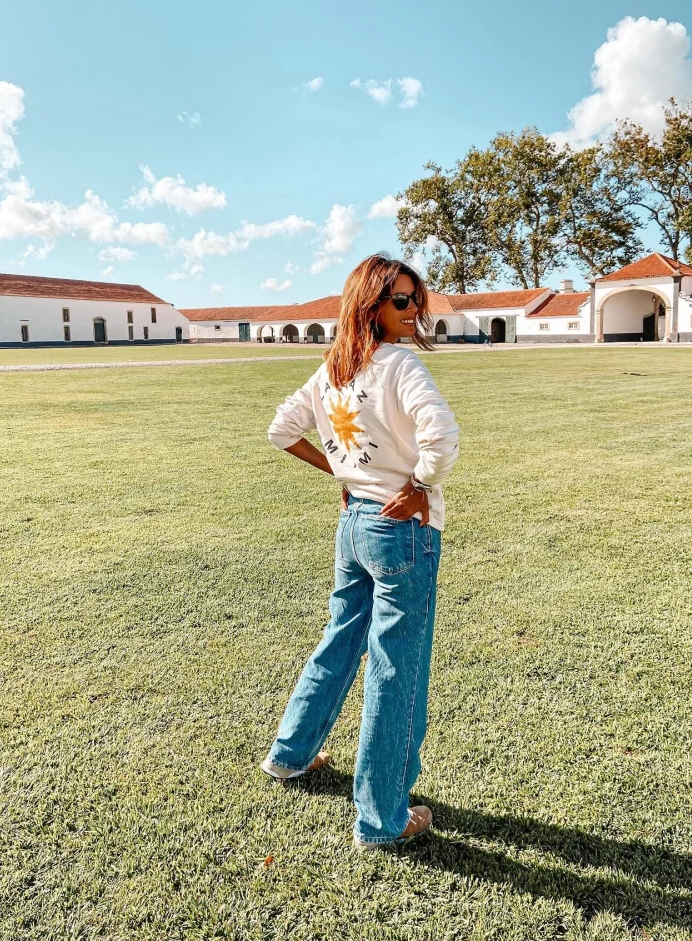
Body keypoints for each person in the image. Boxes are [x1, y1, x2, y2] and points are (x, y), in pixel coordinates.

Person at [260, 253, 460, 851]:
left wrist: (342, 474)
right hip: (398, 529)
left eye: (415, 299)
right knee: (397, 669)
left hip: (354, 525)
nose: (412, 310)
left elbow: (281, 430)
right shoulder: (399, 364)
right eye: (401, 300)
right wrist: (420, 485)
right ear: (369, 305)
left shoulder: (333, 369)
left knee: (342, 638)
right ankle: (381, 819)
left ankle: (289, 755)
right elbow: (442, 436)